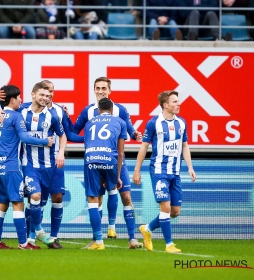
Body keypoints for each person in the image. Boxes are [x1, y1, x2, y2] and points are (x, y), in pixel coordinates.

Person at [0, 81, 83, 249]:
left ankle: (35, 237)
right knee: (34, 196)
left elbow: (64, 135)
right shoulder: (21, 111)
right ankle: (38, 231)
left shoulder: (53, 114)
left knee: (41, 202)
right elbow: (6, 110)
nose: (46, 97)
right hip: (28, 164)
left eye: (48, 94)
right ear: (33, 95)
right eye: (42, 94)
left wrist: (60, 152)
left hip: (50, 166)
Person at [67, 77, 142, 249]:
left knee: (126, 196)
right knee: (98, 199)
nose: (100, 91)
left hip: (116, 161)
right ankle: (98, 238)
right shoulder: (88, 111)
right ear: (93, 90)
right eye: (97, 88)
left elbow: (129, 131)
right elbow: (73, 130)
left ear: (109, 90)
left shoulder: (120, 110)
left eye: (104, 88)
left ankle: (132, 238)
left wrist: (135, 134)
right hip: (101, 158)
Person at [0, 85, 54, 250]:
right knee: (18, 204)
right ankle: (24, 243)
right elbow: (25, 137)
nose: (21, 100)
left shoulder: (0, 115)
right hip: (10, 166)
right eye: (18, 98)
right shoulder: (16, 116)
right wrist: (45, 141)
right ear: (12, 100)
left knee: (1, 204)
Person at [133, 90, 196, 253]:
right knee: (165, 207)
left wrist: (190, 167)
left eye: (178, 101)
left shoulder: (181, 123)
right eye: (174, 101)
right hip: (159, 171)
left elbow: (184, 146)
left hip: (175, 172)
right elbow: (144, 147)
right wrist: (137, 170)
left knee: (175, 211)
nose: (178, 104)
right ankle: (169, 244)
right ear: (165, 105)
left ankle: (147, 229)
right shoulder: (153, 123)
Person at [83, 98, 127, 250]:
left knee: (93, 200)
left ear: (99, 110)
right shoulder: (120, 122)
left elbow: (88, 144)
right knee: (113, 188)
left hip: (91, 159)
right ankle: (112, 226)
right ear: (112, 109)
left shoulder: (89, 123)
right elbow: (121, 152)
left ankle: (98, 241)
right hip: (110, 159)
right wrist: (118, 175)